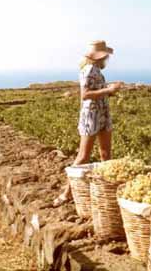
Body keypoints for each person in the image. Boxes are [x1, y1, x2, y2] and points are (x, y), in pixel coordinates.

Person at [53, 40, 122, 207]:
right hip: (91, 115)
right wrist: (109, 90)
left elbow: (95, 91)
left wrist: (108, 92)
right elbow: (85, 94)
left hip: (102, 114)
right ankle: (66, 193)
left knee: (106, 155)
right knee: (83, 157)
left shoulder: (96, 69)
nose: (107, 59)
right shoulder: (90, 69)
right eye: (106, 56)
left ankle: (106, 193)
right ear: (101, 56)